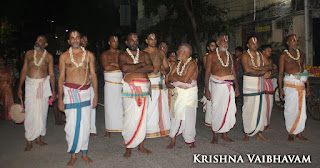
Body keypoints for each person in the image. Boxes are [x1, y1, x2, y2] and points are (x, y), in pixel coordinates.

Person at [58, 30, 97, 166]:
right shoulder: (64, 56)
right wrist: (60, 99)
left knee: (86, 124)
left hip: (86, 92)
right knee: (71, 124)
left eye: (77, 37)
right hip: (69, 93)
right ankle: (73, 154)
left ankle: (84, 153)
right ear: (69, 41)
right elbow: (61, 77)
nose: (75, 39)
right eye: (72, 37)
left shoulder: (89, 55)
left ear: (81, 40)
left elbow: (93, 75)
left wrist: (96, 95)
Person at [17, 35, 56, 151]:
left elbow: (52, 74)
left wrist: (54, 92)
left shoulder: (49, 56)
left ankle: (38, 138)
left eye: (40, 40)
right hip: (30, 86)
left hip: (43, 86)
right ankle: (29, 140)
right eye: (37, 40)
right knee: (30, 113)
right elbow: (24, 70)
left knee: (42, 113)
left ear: (46, 44)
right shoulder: (29, 53)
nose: (37, 42)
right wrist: (20, 87)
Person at [119, 33, 154, 158]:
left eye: (136, 39)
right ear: (127, 43)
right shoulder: (123, 55)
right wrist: (140, 65)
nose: (134, 42)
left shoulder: (145, 54)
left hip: (143, 89)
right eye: (131, 40)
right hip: (129, 90)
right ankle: (129, 145)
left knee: (142, 117)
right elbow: (124, 68)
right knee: (129, 118)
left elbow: (150, 67)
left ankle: (141, 146)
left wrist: (132, 68)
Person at [204, 34, 239, 144]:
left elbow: (233, 71)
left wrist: (237, 86)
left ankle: (224, 134)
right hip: (217, 85)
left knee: (228, 110)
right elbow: (207, 72)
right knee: (216, 109)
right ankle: (215, 134)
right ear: (218, 43)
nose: (225, 43)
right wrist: (206, 89)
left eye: (227, 41)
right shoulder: (212, 56)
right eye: (223, 41)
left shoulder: (230, 55)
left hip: (229, 85)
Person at [241, 36, 275, 142]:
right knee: (248, 108)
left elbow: (271, 66)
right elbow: (248, 70)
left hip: (260, 84)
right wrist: (263, 71)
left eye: (256, 43)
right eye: (252, 43)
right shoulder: (245, 55)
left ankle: (259, 132)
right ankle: (247, 132)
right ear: (248, 45)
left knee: (261, 107)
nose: (254, 45)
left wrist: (259, 68)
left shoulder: (260, 55)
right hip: (250, 84)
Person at [278, 34, 310, 142]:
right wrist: (280, 89)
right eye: (292, 41)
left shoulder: (301, 54)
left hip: (301, 84)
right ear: (287, 43)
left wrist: (308, 87)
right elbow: (280, 73)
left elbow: (305, 71)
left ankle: (299, 133)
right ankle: (291, 132)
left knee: (301, 111)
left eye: (296, 40)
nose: (295, 42)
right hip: (290, 86)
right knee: (290, 109)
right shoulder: (284, 56)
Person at [166, 43, 198, 149]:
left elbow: (184, 79)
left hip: (190, 95)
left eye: (179, 51)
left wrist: (177, 77)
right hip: (179, 93)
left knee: (190, 116)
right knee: (176, 116)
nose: (177, 52)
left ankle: (190, 140)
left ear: (184, 52)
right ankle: (173, 140)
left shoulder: (192, 64)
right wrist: (180, 78)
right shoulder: (177, 64)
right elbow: (171, 77)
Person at [144, 33, 171, 138]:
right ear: (146, 40)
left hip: (159, 80)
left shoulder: (161, 53)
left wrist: (165, 70)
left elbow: (167, 66)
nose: (153, 41)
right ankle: (147, 130)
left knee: (162, 106)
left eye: (155, 39)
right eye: (151, 39)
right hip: (148, 80)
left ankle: (162, 131)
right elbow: (140, 67)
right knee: (149, 106)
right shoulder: (143, 53)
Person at [101, 35, 123, 138]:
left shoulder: (122, 53)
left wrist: (114, 64)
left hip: (121, 80)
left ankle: (122, 127)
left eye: (117, 41)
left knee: (121, 104)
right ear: (109, 43)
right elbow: (106, 66)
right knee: (110, 105)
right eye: (113, 41)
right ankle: (109, 129)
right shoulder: (105, 54)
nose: (115, 42)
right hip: (110, 82)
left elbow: (125, 66)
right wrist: (117, 65)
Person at [81, 35, 98, 138]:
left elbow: (94, 69)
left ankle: (92, 129)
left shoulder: (90, 55)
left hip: (89, 83)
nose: (84, 41)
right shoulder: (71, 54)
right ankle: (83, 129)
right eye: (82, 39)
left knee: (92, 106)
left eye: (86, 40)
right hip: (78, 85)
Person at [261, 45, 277, 130]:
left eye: (270, 50)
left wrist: (273, 69)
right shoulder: (260, 60)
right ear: (263, 51)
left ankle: (266, 124)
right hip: (264, 83)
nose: (270, 52)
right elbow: (265, 74)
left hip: (269, 83)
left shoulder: (270, 61)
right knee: (265, 104)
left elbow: (270, 73)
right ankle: (262, 124)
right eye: (268, 50)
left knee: (269, 105)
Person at [201, 40, 217, 113]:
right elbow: (206, 68)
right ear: (208, 48)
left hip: (218, 78)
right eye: (212, 45)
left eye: (215, 45)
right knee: (210, 97)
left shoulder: (219, 56)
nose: (214, 47)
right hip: (210, 78)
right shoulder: (206, 57)